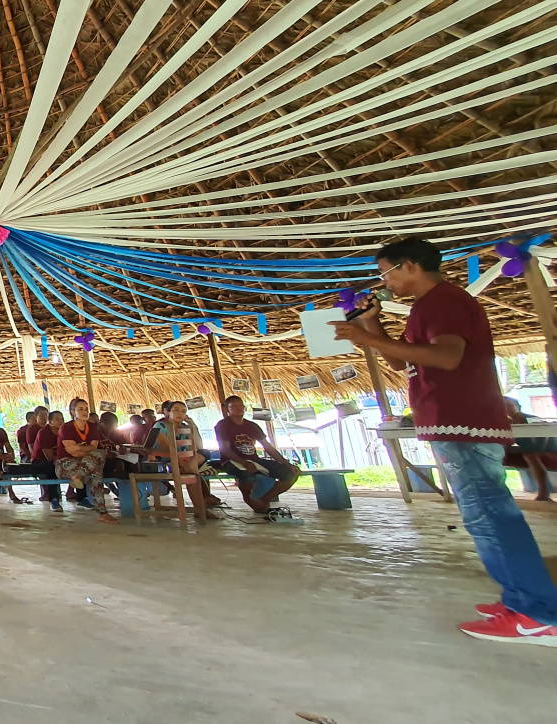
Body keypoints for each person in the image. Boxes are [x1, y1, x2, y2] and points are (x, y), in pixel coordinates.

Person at [335, 237, 557, 645]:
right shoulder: (427, 306)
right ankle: (521, 599)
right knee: (486, 519)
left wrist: (367, 339)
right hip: (452, 422)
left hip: (463, 422)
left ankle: (537, 613)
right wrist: (371, 324)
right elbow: (404, 360)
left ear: (409, 266)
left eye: (386, 272)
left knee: (492, 520)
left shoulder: (444, 301)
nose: (384, 282)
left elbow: (448, 357)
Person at [214, 396, 300, 517]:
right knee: (247, 476)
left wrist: (287, 464)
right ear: (227, 409)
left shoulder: (252, 426)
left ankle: (264, 500)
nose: (239, 408)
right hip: (231, 460)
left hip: (253, 459)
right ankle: (249, 499)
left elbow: (268, 447)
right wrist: (244, 463)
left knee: (290, 474)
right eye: (234, 405)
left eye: (241, 405)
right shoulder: (222, 425)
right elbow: (225, 449)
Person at [147, 401, 222, 521]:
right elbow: (166, 448)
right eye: (176, 410)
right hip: (166, 462)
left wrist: (193, 426)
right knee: (192, 474)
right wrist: (180, 462)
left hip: (186, 462)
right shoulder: (160, 426)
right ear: (168, 413)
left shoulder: (185, 428)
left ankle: (200, 508)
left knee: (202, 456)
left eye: (183, 411)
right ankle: (200, 509)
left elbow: (198, 446)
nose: (180, 413)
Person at [53, 399, 119, 524]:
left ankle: (79, 476)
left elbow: (93, 448)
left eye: (86, 409)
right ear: (73, 412)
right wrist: (86, 451)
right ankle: (103, 513)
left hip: (84, 466)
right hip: (65, 465)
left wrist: (78, 447)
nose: (85, 412)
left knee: (99, 456)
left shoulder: (93, 427)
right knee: (96, 469)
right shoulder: (66, 428)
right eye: (80, 409)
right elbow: (73, 453)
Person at [504, 397, 554, 503]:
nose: (507, 409)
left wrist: (531, 450)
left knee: (530, 455)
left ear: (518, 407)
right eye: (503, 407)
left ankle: (543, 493)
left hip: (550, 447)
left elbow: (545, 438)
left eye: (509, 405)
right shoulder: (508, 424)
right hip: (530, 450)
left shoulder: (533, 419)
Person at [30, 406, 65, 510]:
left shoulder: (64, 432)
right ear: (50, 422)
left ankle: (82, 498)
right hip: (39, 462)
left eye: (62, 418)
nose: (61, 421)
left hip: (59, 460)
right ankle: (54, 499)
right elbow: (49, 457)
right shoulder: (44, 433)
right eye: (57, 419)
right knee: (51, 467)